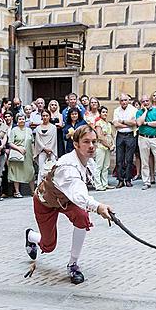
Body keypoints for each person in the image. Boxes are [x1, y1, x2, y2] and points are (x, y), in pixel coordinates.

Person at [23, 124, 114, 285]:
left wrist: (95, 206)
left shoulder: (88, 162)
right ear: (76, 144)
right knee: (48, 246)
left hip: (67, 201)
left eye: (94, 141)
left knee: (82, 218)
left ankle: (73, 265)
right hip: (46, 202)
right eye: (86, 142)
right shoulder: (68, 167)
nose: (91, 146)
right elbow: (78, 193)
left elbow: (79, 194)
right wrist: (98, 207)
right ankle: (31, 236)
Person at [8, 113, 36, 197]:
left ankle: (33, 191)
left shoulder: (29, 130)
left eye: (23, 119)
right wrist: (19, 149)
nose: (21, 120)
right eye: (20, 119)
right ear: (17, 120)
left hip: (28, 154)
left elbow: (32, 143)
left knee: (30, 171)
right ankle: (17, 192)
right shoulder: (14, 130)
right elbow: (10, 142)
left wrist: (34, 154)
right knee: (17, 172)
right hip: (17, 153)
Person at [113, 94, 137, 187]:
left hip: (130, 135)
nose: (123, 102)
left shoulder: (133, 110)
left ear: (128, 100)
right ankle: (120, 180)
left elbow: (135, 123)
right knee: (119, 159)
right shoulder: (116, 110)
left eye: (125, 100)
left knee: (129, 159)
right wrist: (127, 123)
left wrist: (122, 121)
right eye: (121, 100)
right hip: (120, 135)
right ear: (119, 101)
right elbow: (115, 124)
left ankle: (128, 179)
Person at [33, 109, 59, 184]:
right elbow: (38, 140)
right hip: (42, 151)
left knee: (52, 171)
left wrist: (49, 149)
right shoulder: (38, 128)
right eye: (43, 116)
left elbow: (54, 140)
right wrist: (44, 148)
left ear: (49, 117)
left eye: (46, 115)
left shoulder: (53, 127)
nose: (45, 117)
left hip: (51, 151)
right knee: (41, 171)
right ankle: (40, 189)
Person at [93, 106, 113, 191]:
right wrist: (109, 145)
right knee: (99, 166)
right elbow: (100, 136)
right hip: (101, 147)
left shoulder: (108, 123)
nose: (105, 114)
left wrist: (112, 144)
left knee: (106, 166)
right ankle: (98, 185)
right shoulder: (98, 123)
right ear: (100, 113)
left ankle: (105, 184)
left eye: (106, 112)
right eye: (103, 112)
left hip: (108, 147)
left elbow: (110, 135)